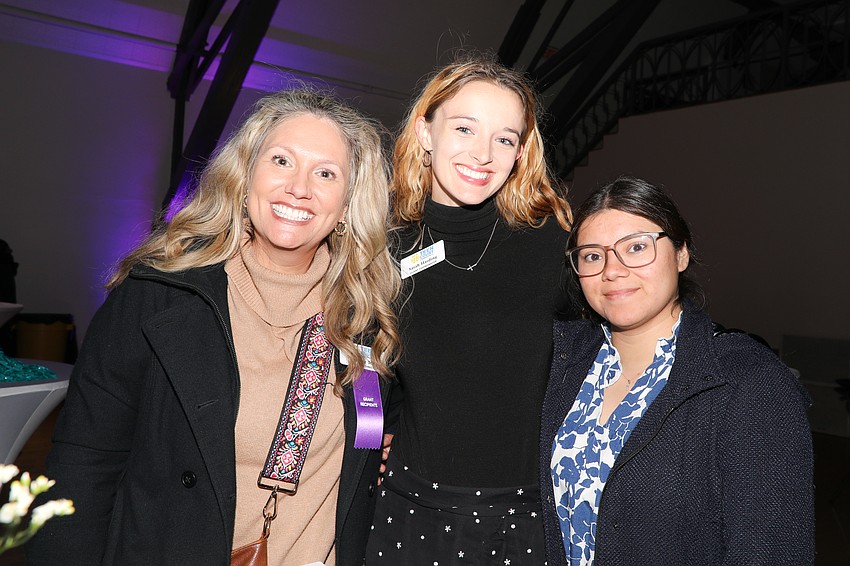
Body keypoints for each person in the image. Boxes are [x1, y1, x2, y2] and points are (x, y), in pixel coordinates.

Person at [27, 88, 401, 565]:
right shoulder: (156, 297)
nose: (299, 187)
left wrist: (394, 447)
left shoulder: (367, 318)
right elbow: (83, 464)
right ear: (244, 176)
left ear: (348, 203)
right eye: (281, 161)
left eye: (326, 173)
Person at [540, 176, 814, 565]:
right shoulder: (567, 363)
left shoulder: (748, 382)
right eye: (592, 256)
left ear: (681, 254)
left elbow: (770, 551)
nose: (612, 270)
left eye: (637, 247)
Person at [365, 55, 573, 565]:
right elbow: (364, 359)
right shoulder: (382, 244)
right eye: (464, 128)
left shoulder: (552, 244)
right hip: (407, 507)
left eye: (504, 138)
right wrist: (370, 437)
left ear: (520, 152)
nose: (483, 154)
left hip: (526, 514)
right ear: (425, 131)